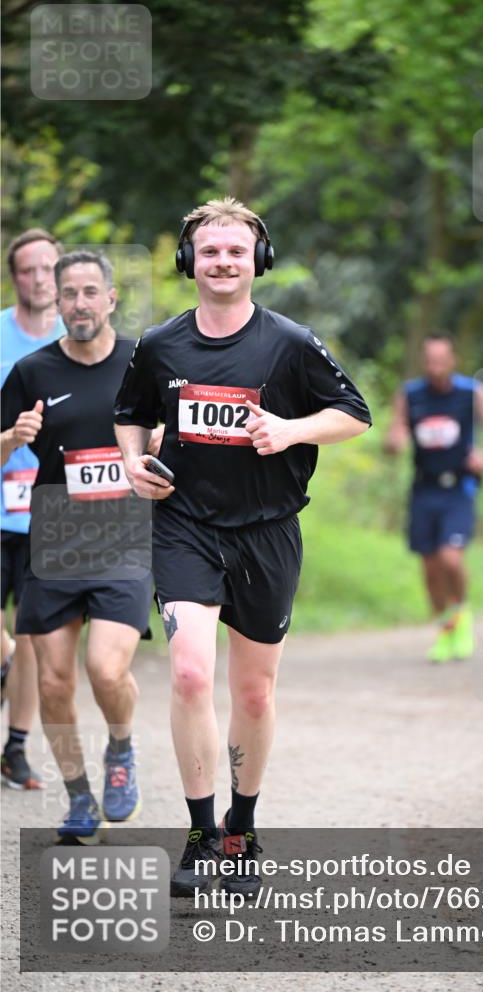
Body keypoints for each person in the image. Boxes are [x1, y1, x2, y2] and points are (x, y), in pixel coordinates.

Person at [114, 196, 371, 897]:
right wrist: (136, 463)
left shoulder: (289, 341)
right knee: (193, 675)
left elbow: (353, 414)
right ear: (188, 262)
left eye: (234, 250)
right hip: (184, 526)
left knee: (253, 694)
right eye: (209, 250)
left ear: (256, 260)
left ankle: (241, 828)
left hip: (267, 531)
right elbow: (131, 416)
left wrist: (288, 431)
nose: (222, 261)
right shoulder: (160, 345)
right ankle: (199, 834)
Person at [1, 250, 156, 842]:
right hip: (57, 535)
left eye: (91, 292)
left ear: (111, 299)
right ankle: (79, 798)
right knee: (53, 683)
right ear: (56, 301)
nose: (79, 304)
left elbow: (178, 445)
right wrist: (12, 437)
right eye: (69, 294)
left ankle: (120, 749)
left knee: (105, 668)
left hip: (125, 534)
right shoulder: (33, 374)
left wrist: (162, 446)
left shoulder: (144, 364)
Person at [385, 333, 483, 662]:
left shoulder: (472, 392)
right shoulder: (410, 395)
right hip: (423, 488)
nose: (435, 368)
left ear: (453, 360)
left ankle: (462, 614)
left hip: (458, 489)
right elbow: (396, 430)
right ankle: (445, 630)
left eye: (441, 360)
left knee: (451, 558)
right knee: (431, 568)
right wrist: (394, 440)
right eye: (430, 361)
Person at [0, 228, 65, 789]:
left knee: (31, 637)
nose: (40, 278)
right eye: (28, 269)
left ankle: (15, 748)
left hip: (52, 513)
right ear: (14, 276)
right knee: (9, 644)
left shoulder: (79, 338)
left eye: (49, 267)